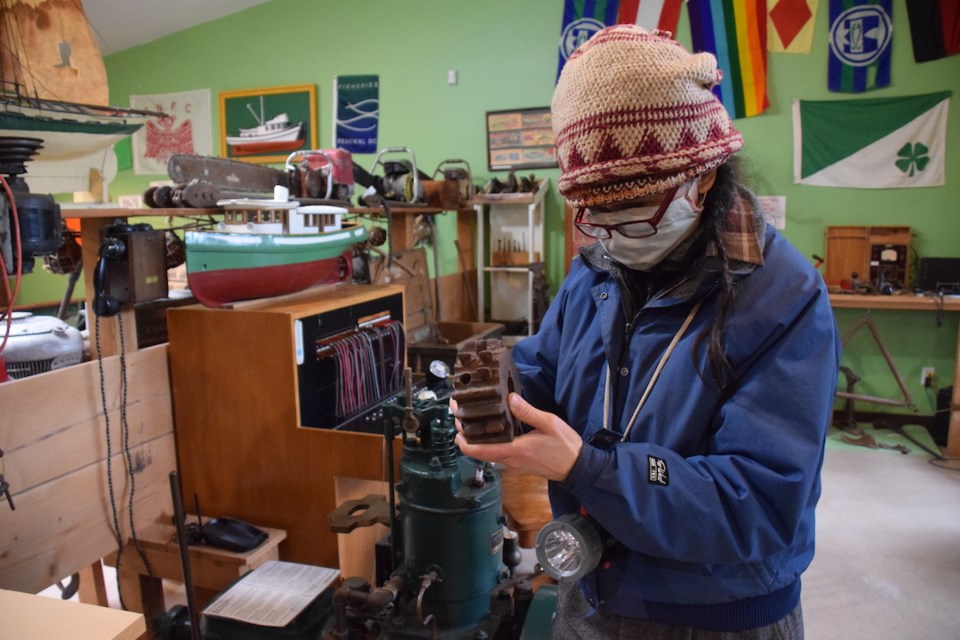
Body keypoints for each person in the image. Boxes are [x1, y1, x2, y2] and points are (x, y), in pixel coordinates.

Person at [454, 25, 841, 639]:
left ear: (703, 178)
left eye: (632, 215)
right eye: (594, 217)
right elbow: (550, 368)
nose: (609, 237)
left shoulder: (785, 299)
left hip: (715, 617)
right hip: (590, 592)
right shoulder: (599, 267)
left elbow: (758, 502)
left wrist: (590, 468)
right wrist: (499, 387)